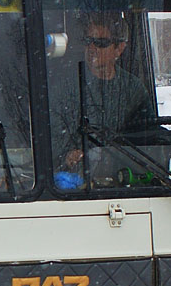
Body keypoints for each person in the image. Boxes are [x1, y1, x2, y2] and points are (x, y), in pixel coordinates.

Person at [50, 13, 152, 177]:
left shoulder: (133, 89)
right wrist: (67, 154)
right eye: (88, 41)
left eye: (100, 43)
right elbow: (50, 139)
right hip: (77, 181)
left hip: (122, 176)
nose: (92, 48)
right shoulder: (65, 88)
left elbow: (147, 133)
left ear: (120, 48)